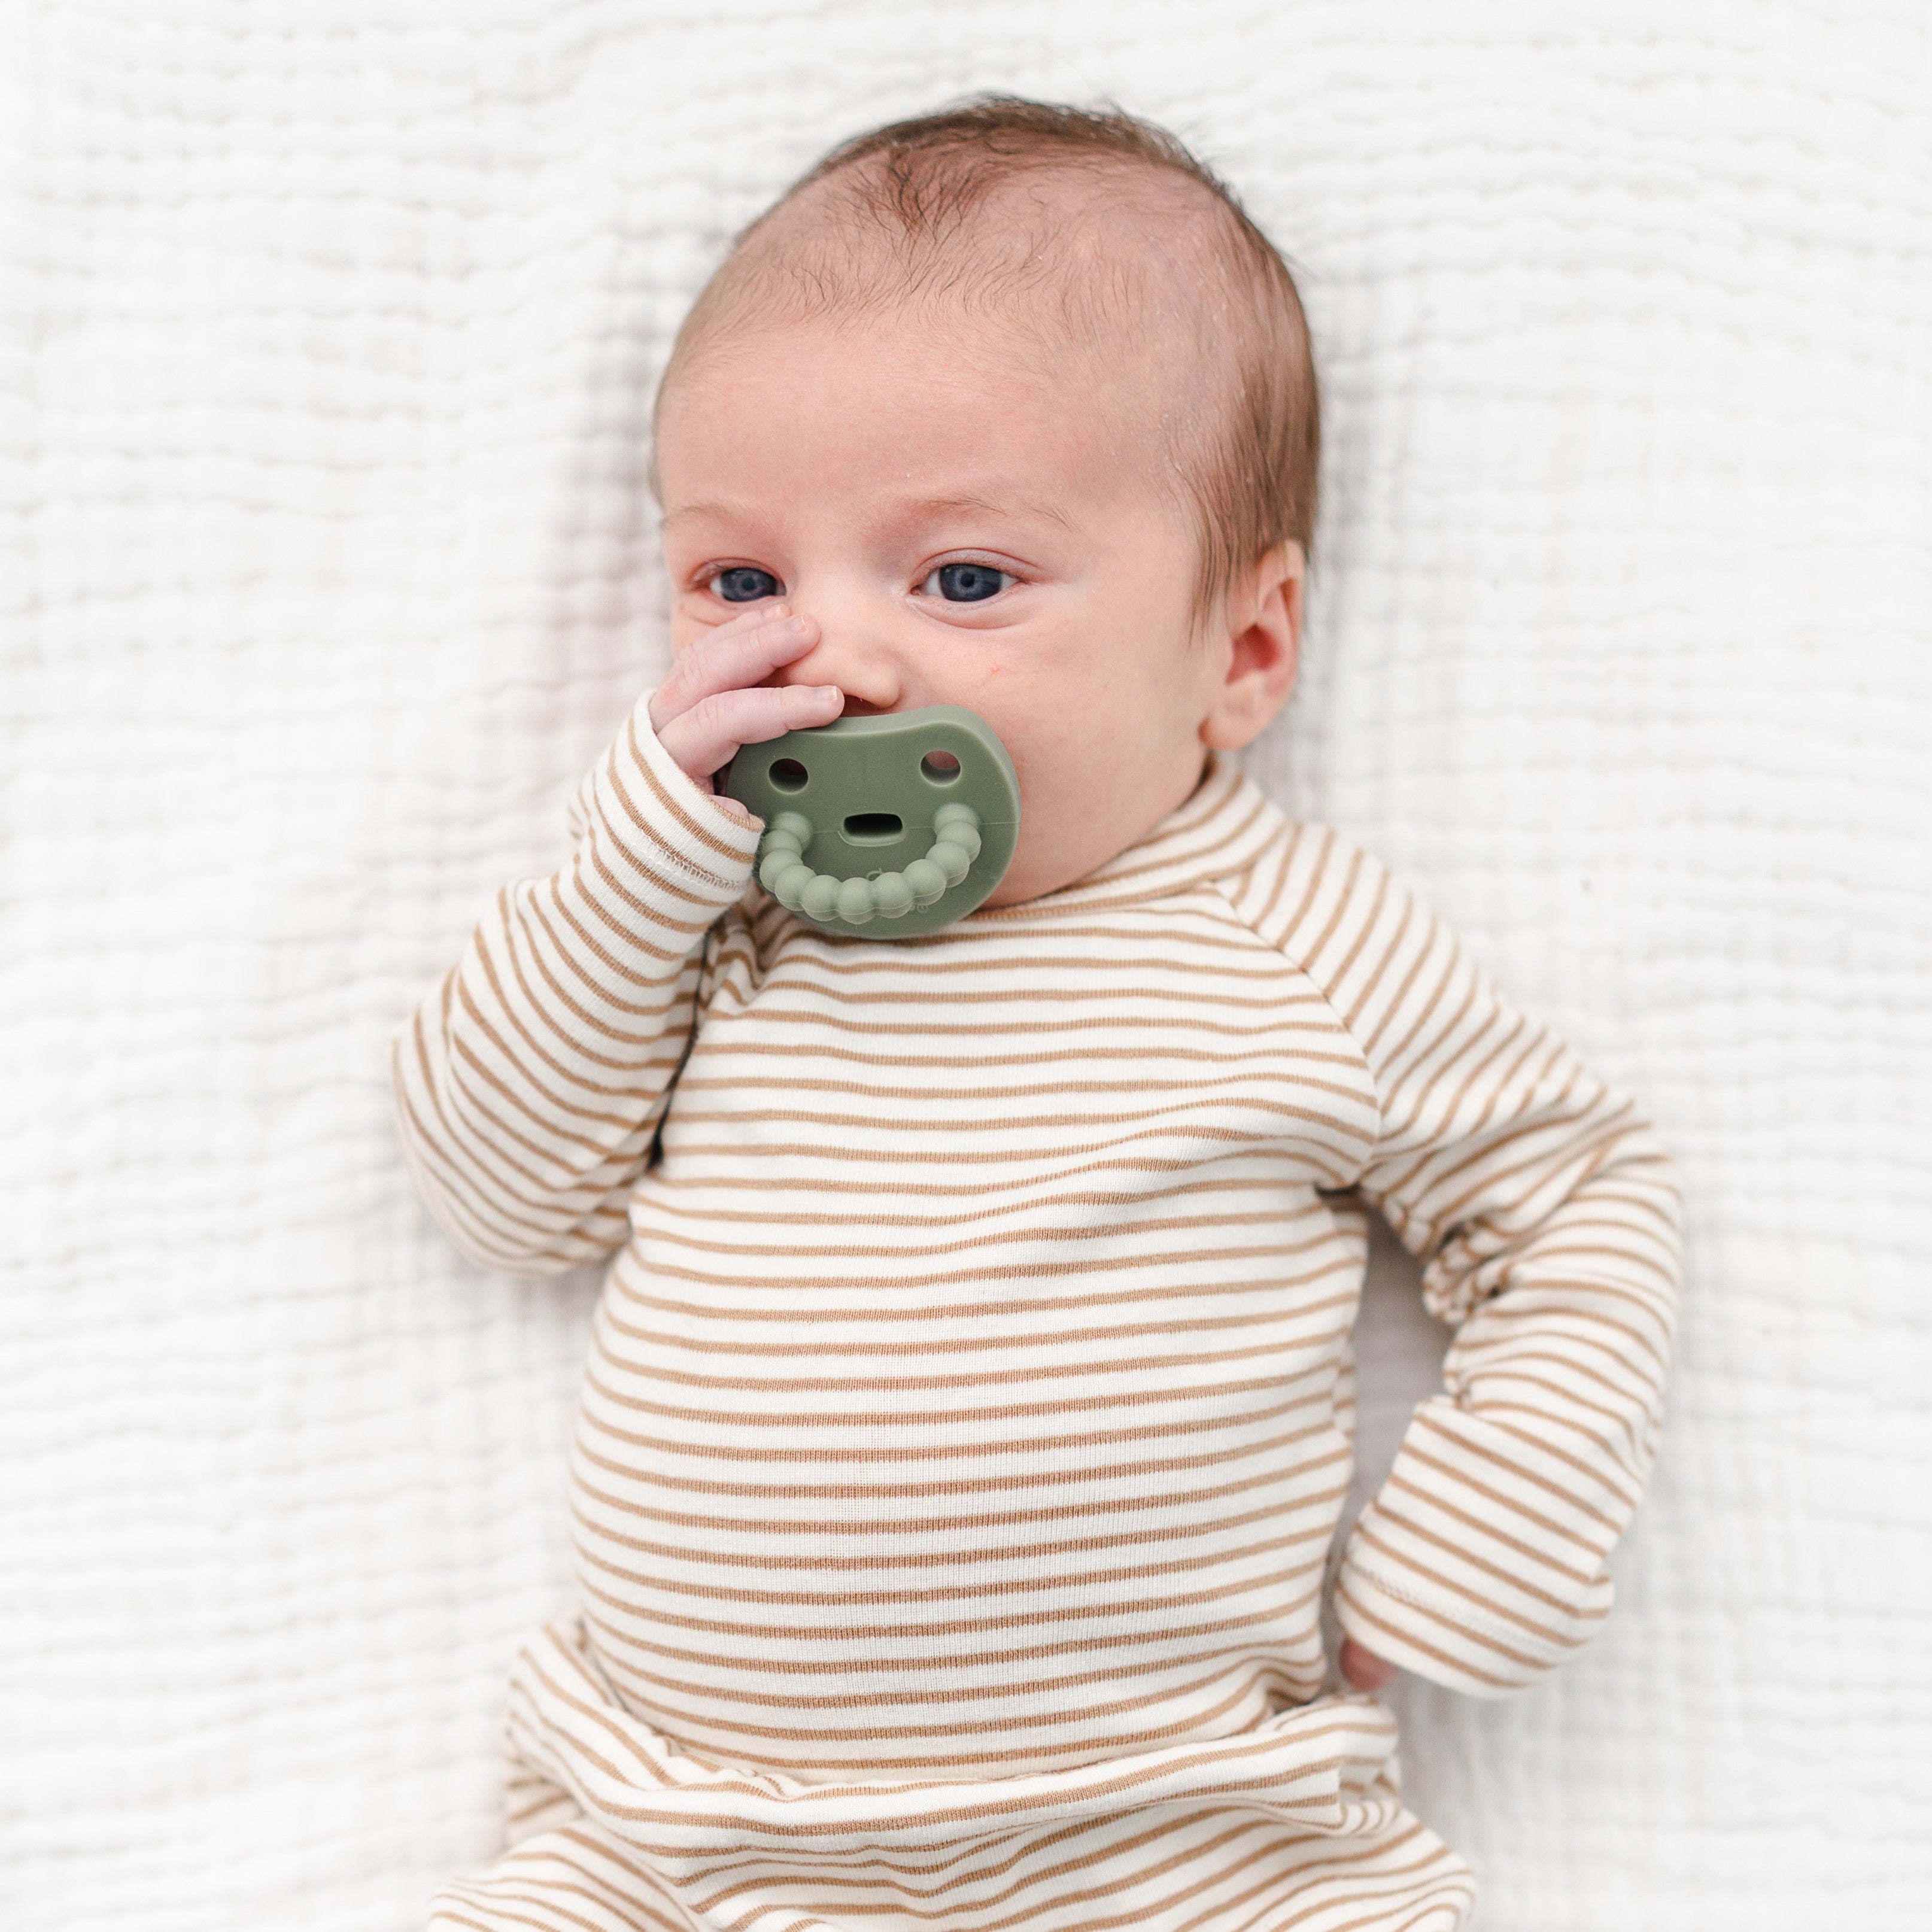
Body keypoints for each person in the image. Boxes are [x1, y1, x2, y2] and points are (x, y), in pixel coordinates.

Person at [393, 96, 1681, 1932]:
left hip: (1187, 1838)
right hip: (683, 1837)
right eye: (743, 583)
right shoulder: (719, 925)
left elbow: (1580, 1204)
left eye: (964, 578)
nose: (837, 662)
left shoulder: (1296, 939)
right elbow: (503, 1194)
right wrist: (637, 863)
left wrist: (1493, 1519)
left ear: (1240, 652)